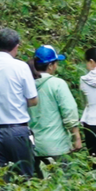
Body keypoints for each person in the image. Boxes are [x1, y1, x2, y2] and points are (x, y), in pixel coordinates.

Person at [0, 28, 38, 178]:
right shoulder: (21, 67)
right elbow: (33, 100)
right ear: (16, 46)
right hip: (18, 130)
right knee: (24, 176)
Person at [29, 45, 82, 175]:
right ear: (51, 65)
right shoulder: (58, 84)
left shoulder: (27, 84)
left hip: (32, 146)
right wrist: (76, 137)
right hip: (57, 147)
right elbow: (69, 111)